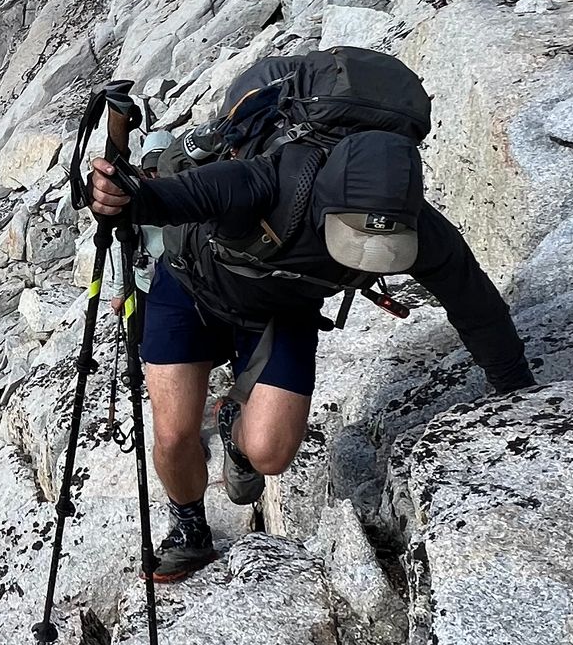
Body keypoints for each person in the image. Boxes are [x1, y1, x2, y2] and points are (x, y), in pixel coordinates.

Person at [88, 122, 533, 579]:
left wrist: (519, 396)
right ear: (328, 202)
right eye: (355, 240)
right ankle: (190, 527)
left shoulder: (417, 226)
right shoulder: (263, 181)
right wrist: (120, 197)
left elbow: (478, 308)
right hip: (187, 289)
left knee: (269, 454)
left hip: (282, 311)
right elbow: (167, 198)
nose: (367, 255)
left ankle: (234, 429)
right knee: (174, 435)